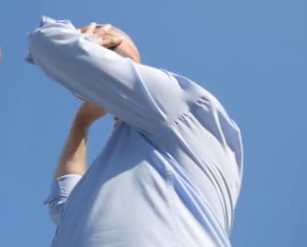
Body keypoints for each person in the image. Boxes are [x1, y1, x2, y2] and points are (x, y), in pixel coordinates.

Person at [26, 16, 243, 247]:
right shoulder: (116, 176)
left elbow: (49, 44)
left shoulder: (182, 107)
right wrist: (82, 123)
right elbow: (62, 203)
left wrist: (84, 40)